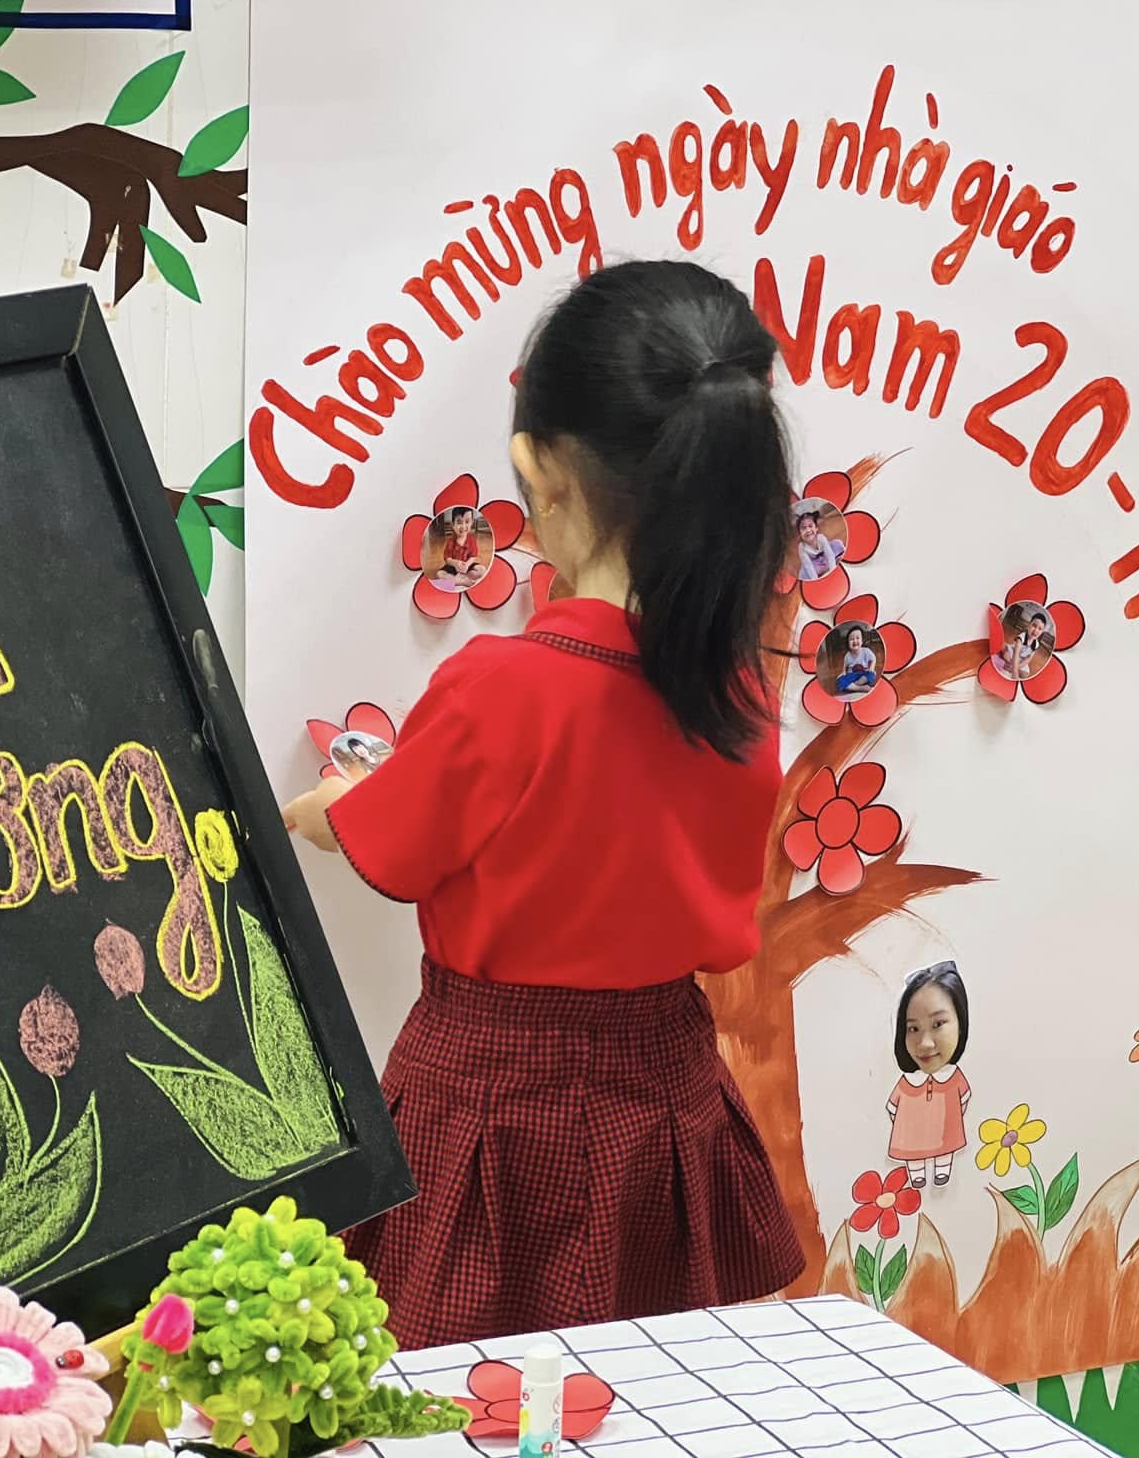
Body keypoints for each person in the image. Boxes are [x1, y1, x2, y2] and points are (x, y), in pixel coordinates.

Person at [281, 259, 806, 1348]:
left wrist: (321, 804)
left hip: (490, 1104)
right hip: (662, 1101)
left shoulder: (502, 687)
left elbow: (386, 841)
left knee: (449, 1385)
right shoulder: (739, 698)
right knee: (651, 1382)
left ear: (541, 472)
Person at [886, 962, 971, 1188]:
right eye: (913, 1029)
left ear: (961, 1022)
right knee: (913, 1158)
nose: (924, 1043)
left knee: (945, 1151)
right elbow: (892, 1107)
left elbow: (964, 1098)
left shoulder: (953, 1077)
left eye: (938, 1024)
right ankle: (917, 1175)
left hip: (945, 1135)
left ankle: (942, 1170)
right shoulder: (908, 1081)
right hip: (911, 1137)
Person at [438, 507, 484, 587]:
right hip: (453, 566)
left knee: (482, 569)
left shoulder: (472, 540)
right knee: (440, 574)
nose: (463, 526)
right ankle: (461, 581)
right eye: (459, 522)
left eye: (467, 522)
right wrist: (455, 563)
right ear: (453, 525)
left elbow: (473, 556)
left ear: (472, 522)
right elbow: (447, 559)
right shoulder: (450, 542)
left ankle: (460, 579)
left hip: (467, 565)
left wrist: (467, 565)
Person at [796, 507, 844, 580]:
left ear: (816, 528)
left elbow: (829, 554)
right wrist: (815, 579)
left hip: (825, 556)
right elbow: (808, 565)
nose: (808, 530)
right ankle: (824, 568)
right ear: (800, 534)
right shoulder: (802, 547)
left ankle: (830, 563)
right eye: (803, 528)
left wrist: (832, 571)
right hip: (815, 563)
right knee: (803, 573)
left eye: (810, 526)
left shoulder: (821, 538)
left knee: (838, 544)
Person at [833, 625, 877, 696]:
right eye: (851, 639)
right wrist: (843, 672)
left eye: (857, 638)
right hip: (852, 675)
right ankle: (860, 688)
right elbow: (845, 665)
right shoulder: (847, 655)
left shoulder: (866, 651)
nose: (855, 641)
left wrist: (872, 667)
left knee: (872, 674)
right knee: (839, 680)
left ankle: (855, 684)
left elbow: (873, 658)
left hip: (864, 673)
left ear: (862, 641)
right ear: (848, 643)